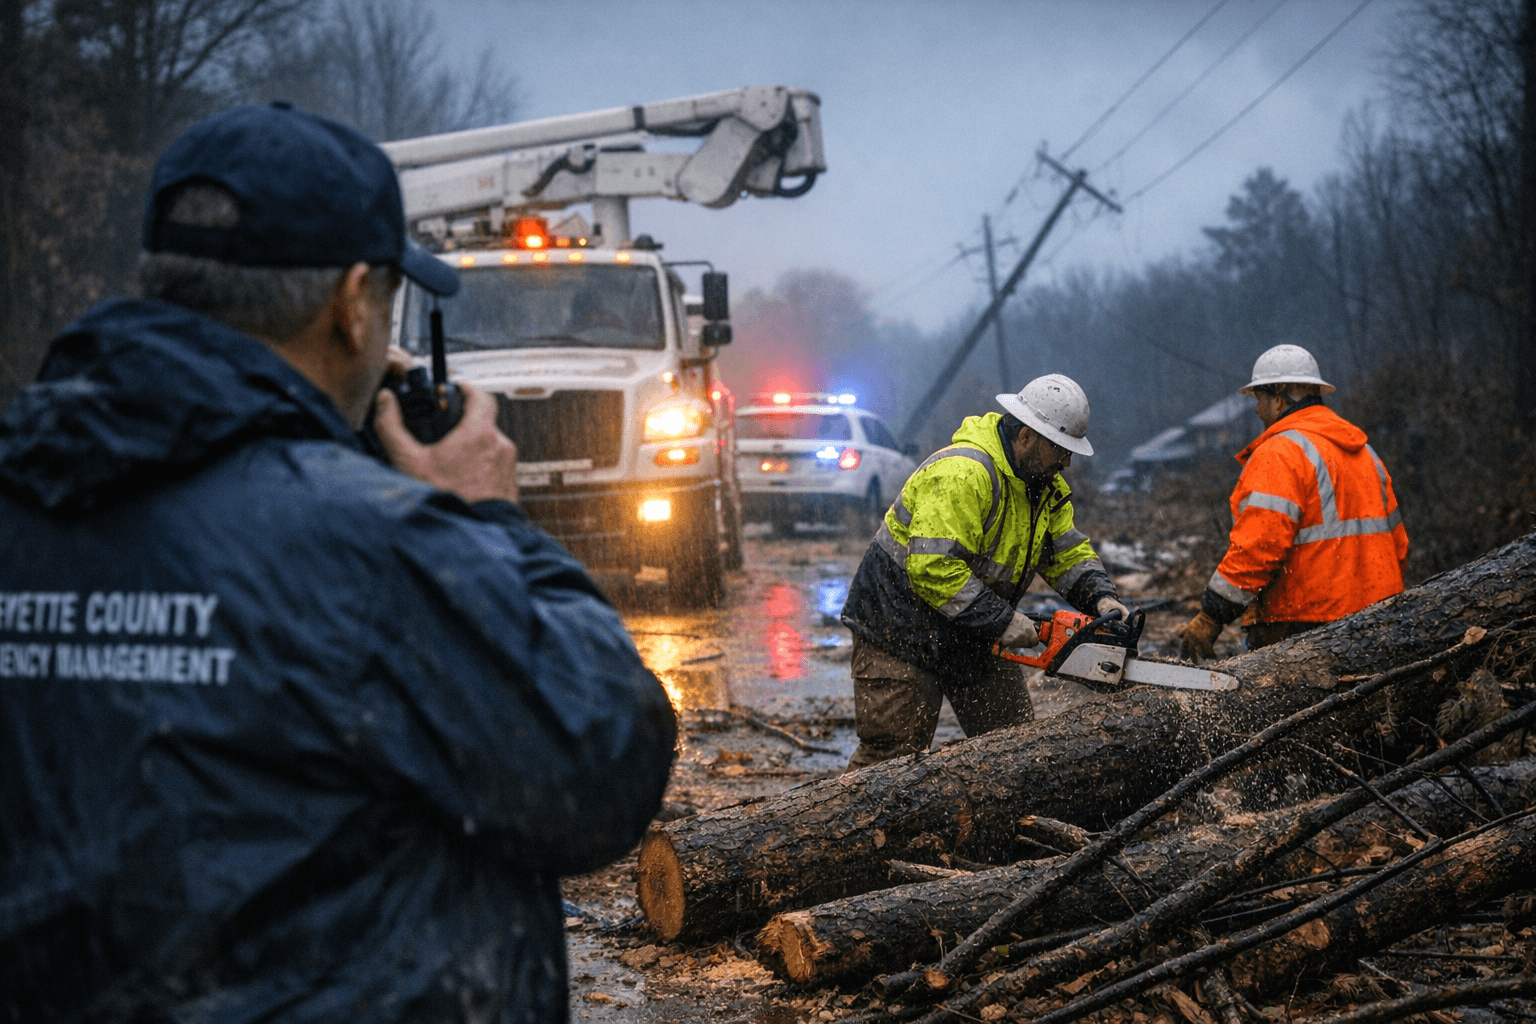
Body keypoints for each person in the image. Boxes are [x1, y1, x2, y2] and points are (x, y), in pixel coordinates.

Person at [0, 103, 676, 1024]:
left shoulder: (25, 485)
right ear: (352, 306)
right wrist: (487, 524)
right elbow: (601, 764)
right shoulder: (377, 547)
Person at [839, 374, 1129, 771]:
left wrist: (1101, 596)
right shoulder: (964, 473)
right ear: (1026, 436)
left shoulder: (1042, 485)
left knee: (1015, 752)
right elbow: (932, 567)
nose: (1065, 462)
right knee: (889, 764)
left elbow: (1064, 550)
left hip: (972, 630)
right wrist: (1003, 620)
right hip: (900, 631)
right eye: (1059, 450)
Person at [1179, 344, 1408, 659]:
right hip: (1384, 620)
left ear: (1279, 397)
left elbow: (1258, 548)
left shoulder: (1280, 453)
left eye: (1259, 399)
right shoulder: (1366, 454)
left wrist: (1211, 615)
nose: (1258, 410)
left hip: (1306, 625)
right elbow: (1399, 547)